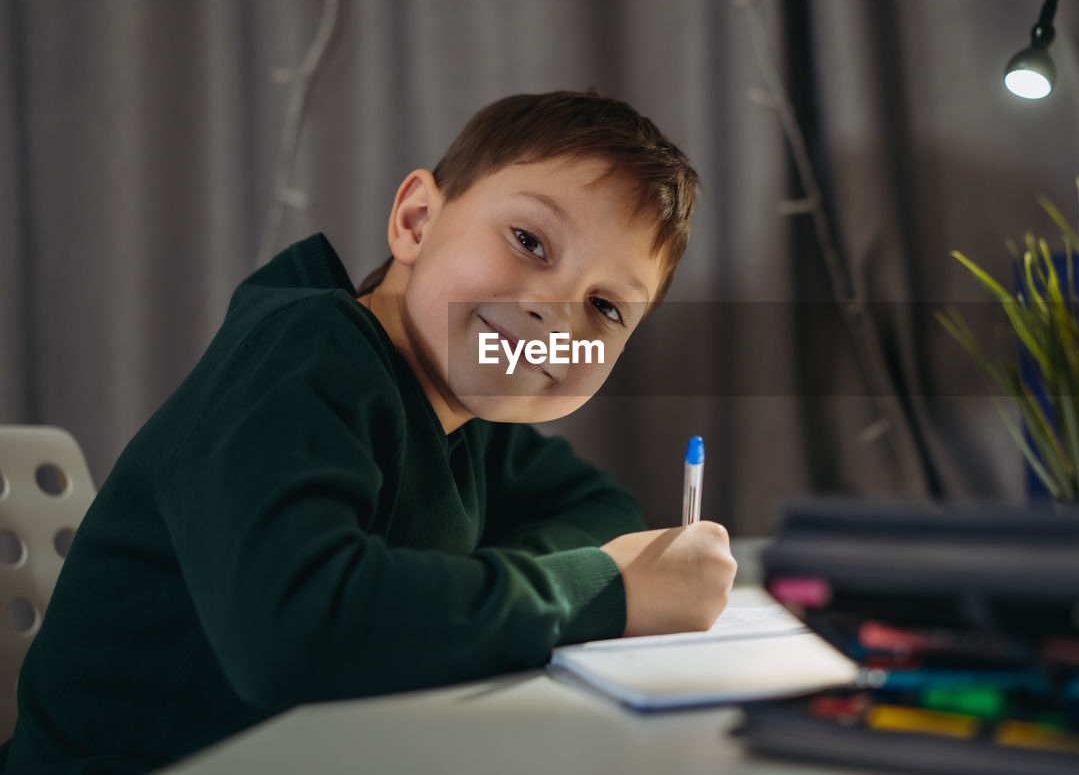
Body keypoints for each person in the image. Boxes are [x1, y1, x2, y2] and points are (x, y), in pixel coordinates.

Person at [2, 91, 737, 772]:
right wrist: (601, 589)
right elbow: (294, 630)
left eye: (607, 308)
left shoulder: (465, 413)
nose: (557, 312)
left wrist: (445, 593)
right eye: (530, 241)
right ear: (416, 221)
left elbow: (604, 508)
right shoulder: (303, 353)